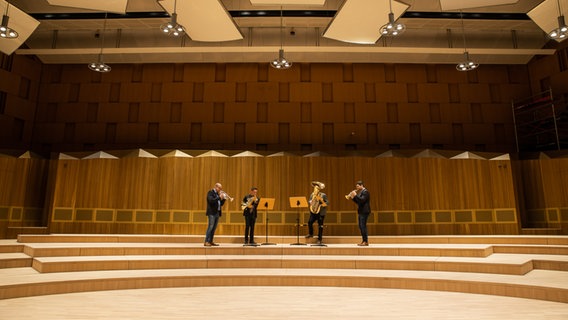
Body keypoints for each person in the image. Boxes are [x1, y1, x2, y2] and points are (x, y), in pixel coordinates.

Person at [348, 180, 370, 246]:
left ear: (361, 185)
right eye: (356, 186)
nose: (357, 187)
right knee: (361, 226)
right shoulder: (361, 192)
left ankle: (365, 241)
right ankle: (364, 241)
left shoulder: (366, 192)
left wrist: (355, 195)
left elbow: (362, 200)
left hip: (364, 211)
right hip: (361, 211)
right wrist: (353, 197)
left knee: (363, 226)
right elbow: (358, 202)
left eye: (358, 186)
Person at [204, 182, 227, 247]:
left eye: (221, 188)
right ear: (216, 187)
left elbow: (221, 204)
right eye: (219, 188)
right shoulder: (210, 192)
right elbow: (211, 201)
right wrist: (219, 197)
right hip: (211, 213)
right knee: (210, 227)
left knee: (214, 228)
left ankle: (210, 241)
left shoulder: (217, 194)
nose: (220, 189)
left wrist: (224, 198)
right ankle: (206, 241)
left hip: (217, 212)